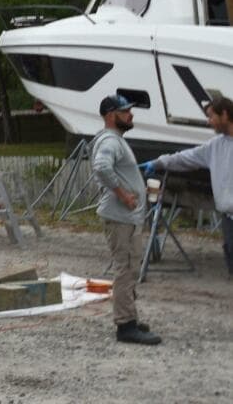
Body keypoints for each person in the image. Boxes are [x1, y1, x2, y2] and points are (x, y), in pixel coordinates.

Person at [91, 93, 160, 345]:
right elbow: (101, 166)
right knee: (125, 269)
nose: (131, 114)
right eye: (125, 111)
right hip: (120, 218)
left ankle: (129, 317)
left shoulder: (115, 140)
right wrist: (123, 194)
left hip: (125, 218)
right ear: (111, 116)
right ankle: (125, 326)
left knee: (130, 268)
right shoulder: (110, 140)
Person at [143, 96, 233, 277]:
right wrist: (158, 163)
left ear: (224, 114)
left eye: (211, 116)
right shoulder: (215, 146)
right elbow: (185, 158)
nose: (209, 122)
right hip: (228, 217)